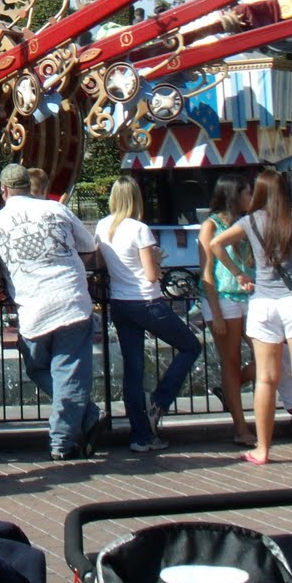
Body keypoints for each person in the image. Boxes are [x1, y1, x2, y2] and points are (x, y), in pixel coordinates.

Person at [210, 168, 292, 469]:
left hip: (263, 304)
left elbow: (216, 245)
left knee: (266, 380)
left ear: (260, 192)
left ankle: (263, 449)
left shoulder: (251, 221)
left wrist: (240, 273)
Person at [0, 164, 105, 461]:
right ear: (28, 186)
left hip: (33, 308)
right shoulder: (57, 210)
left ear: (3, 190)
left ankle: (61, 442)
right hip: (70, 300)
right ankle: (86, 414)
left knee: (42, 369)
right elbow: (89, 248)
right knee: (68, 374)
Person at [98, 178, 201, 454]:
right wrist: (157, 259)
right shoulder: (140, 229)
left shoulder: (102, 226)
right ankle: (160, 399)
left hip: (120, 301)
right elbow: (152, 274)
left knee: (133, 370)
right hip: (146, 301)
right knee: (191, 346)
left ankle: (140, 435)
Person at [200, 174, 257, 447]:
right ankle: (241, 426)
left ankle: (230, 388)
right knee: (231, 360)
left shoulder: (247, 222)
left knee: (271, 355)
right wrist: (216, 312)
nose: (251, 197)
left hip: (250, 295)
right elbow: (207, 271)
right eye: (247, 192)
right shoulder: (211, 226)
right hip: (224, 297)